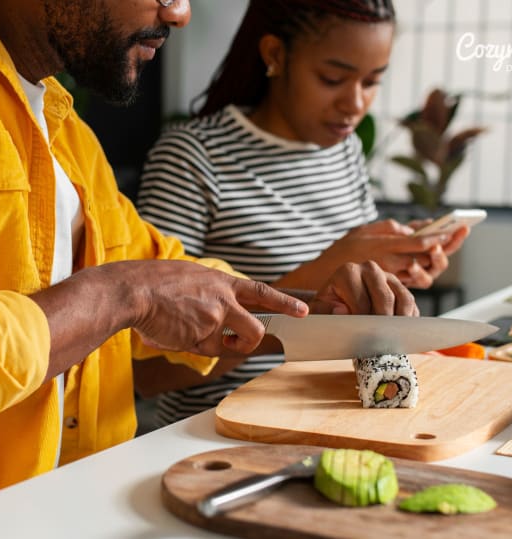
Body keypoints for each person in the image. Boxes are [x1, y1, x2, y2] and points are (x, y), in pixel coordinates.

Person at [0, 0, 419, 529]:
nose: (179, 14)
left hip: (78, 512)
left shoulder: (66, 133)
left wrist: (322, 310)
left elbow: (170, 280)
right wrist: (122, 295)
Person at [136, 0, 470, 427]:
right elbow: (149, 371)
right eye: (332, 78)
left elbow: (348, 306)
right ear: (275, 55)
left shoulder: (345, 151)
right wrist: (317, 276)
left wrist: (392, 268)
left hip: (340, 417)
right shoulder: (193, 158)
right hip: (220, 432)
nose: (354, 103)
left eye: (372, 82)